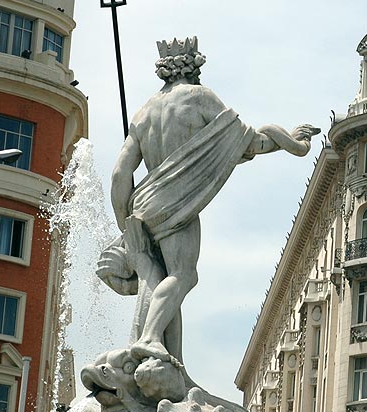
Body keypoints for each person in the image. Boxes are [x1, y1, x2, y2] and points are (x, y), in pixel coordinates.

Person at [99, 37, 318, 364]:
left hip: (142, 205)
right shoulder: (200, 98)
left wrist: (125, 223)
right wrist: (293, 141)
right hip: (176, 205)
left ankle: (162, 358)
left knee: (157, 278)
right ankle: (149, 338)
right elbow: (251, 144)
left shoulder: (143, 113)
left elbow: (119, 174)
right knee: (184, 275)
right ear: (195, 67)